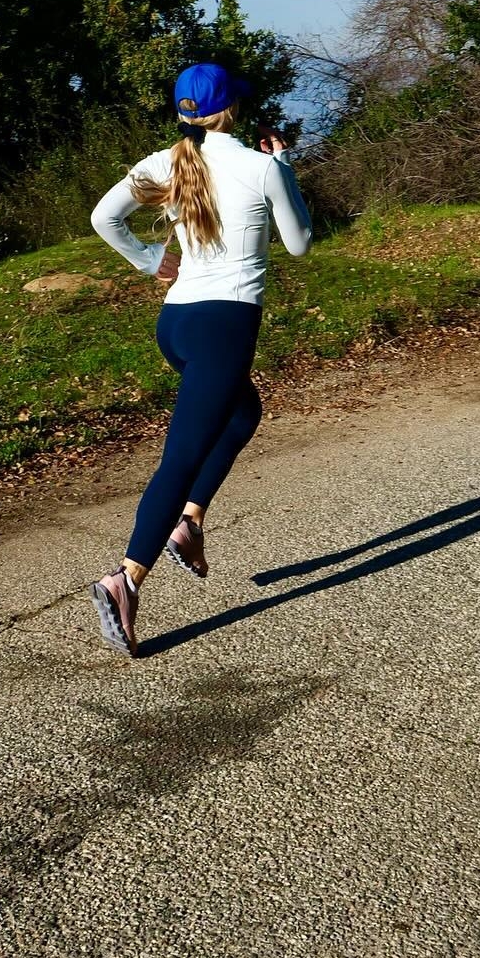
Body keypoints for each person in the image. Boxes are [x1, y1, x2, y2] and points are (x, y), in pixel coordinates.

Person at [86, 61, 313, 656]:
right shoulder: (262, 167)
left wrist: (147, 259)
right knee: (181, 458)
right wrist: (285, 168)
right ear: (232, 107)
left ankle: (189, 522)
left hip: (177, 324)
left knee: (242, 414)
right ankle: (125, 579)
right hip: (223, 328)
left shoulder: (167, 162)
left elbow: (103, 218)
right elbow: (300, 244)